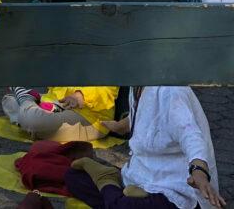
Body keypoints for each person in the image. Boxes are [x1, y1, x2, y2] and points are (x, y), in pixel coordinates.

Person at [65, 86, 224, 209]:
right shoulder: (137, 86)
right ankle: (116, 187)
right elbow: (145, 114)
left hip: (173, 189)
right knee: (73, 177)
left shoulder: (172, 91)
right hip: (139, 176)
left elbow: (191, 134)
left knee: (123, 206)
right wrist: (122, 126)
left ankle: (105, 179)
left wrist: (199, 170)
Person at [1, 0, 116, 142]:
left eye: (50, 10)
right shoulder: (60, 32)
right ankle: (30, 108)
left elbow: (109, 83)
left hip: (92, 118)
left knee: (31, 119)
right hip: (59, 105)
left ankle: (27, 105)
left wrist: (80, 96)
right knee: (8, 100)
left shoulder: (95, 35)